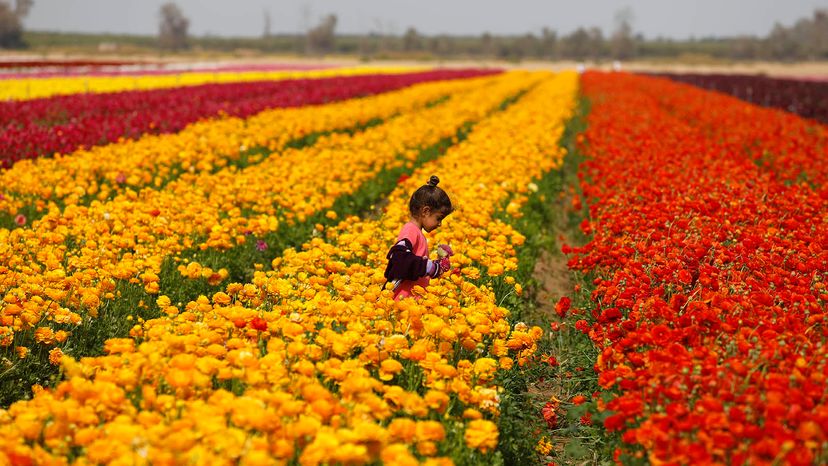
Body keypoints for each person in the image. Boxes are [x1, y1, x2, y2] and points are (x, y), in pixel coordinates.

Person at [384, 175, 454, 300]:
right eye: (439, 218)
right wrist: (431, 267)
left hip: (412, 302)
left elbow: (415, 265)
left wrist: (436, 264)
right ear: (425, 211)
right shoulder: (410, 230)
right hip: (404, 301)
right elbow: (400, 258)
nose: (440, 224)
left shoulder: (416, 232)